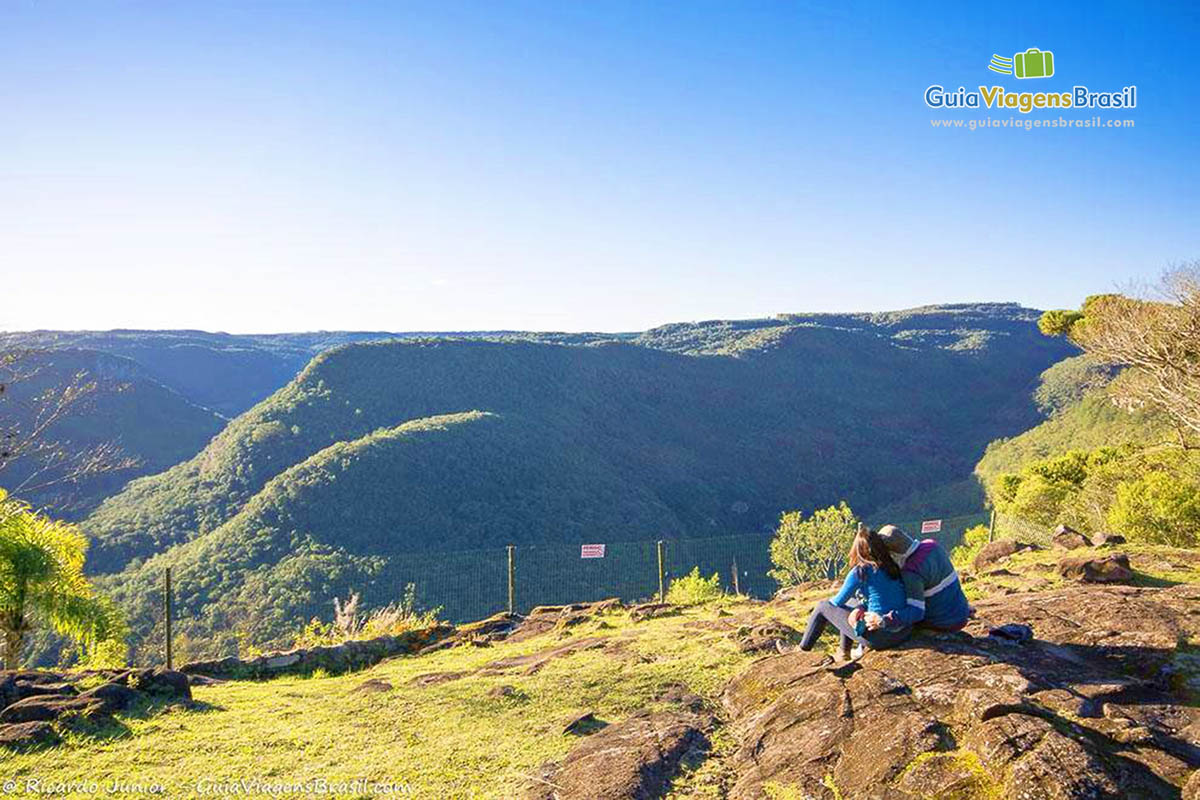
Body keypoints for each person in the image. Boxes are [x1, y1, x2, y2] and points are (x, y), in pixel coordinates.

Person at [799, 524, 913, 660]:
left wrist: (856, 608)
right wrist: (860, 607)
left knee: (822, 606)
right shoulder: (892, 566)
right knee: (852, 604)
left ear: (858, 550)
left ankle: (802, 649)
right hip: (902, 631)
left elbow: (837, 602)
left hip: (880, 636)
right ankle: (843, 652)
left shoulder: (861, 571)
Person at [876, 523, 970, 631]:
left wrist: (885, 620)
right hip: (961, 613)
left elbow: (916, 612)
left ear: (893, 553)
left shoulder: (911, 571)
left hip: (943, 623)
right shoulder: (932, 544)